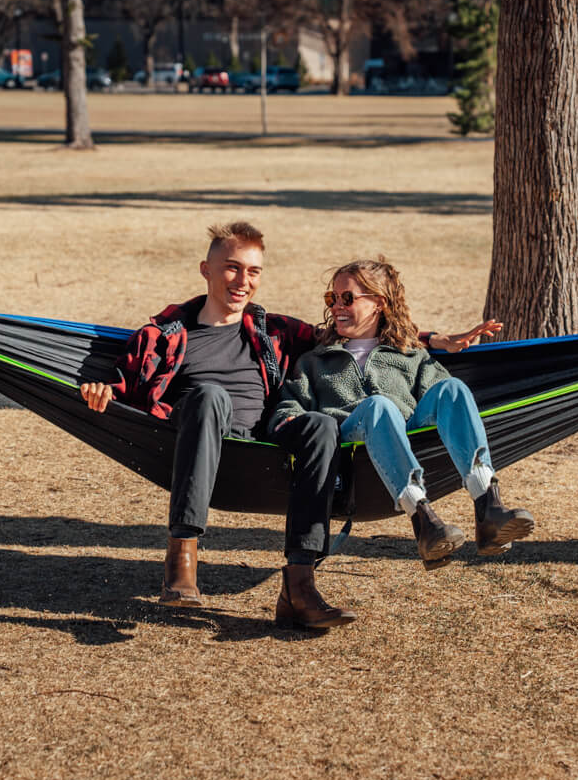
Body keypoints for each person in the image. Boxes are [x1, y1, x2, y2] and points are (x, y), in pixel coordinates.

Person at [79, 224, 493, 630]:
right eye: (232, 268)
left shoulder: (272, 329)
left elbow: (359, 330)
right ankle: (182, 556)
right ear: (206, 270)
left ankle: (300, 586)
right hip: (204, 438)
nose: (243, 281)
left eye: (253, 271)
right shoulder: (166, 333)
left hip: (266, 442)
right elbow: (126, 381)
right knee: (209, 395)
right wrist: (105, 389)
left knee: (321, 426)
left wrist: (433, 339)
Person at [270, 257, 534, 571]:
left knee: (453, 389)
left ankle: (488, 505)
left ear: (378, 303)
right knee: (378, 406)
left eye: (348, 298)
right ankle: (422, 519)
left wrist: (431, 343)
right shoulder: (315, 360)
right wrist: (288, 422)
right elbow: (290, 404)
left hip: (405, 438)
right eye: (332, 298)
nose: (337, 306)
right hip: (349, 444)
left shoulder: (410, 355)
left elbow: (445, 404)